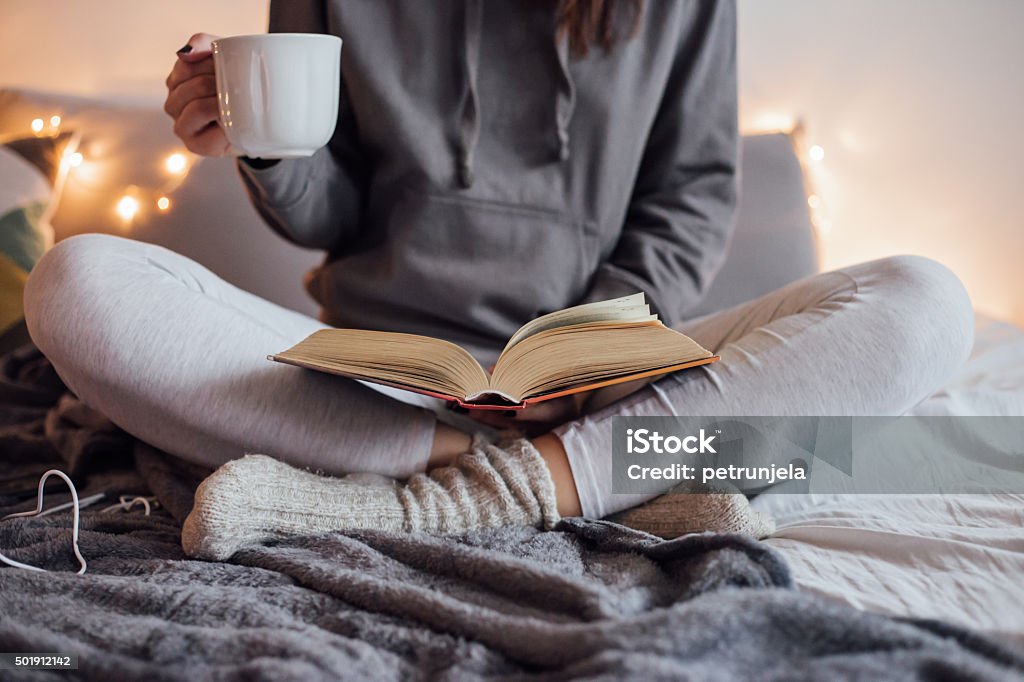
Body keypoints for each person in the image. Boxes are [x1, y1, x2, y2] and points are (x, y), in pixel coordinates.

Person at [24, 0, 974, 560]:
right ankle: (600, 482)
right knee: (74, 281)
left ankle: (455, 487)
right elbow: (332, 213)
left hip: (608, 364)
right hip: (368, 374)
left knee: (926, 300)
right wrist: (264, 150)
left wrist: (594, 358)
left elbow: (690, 196)